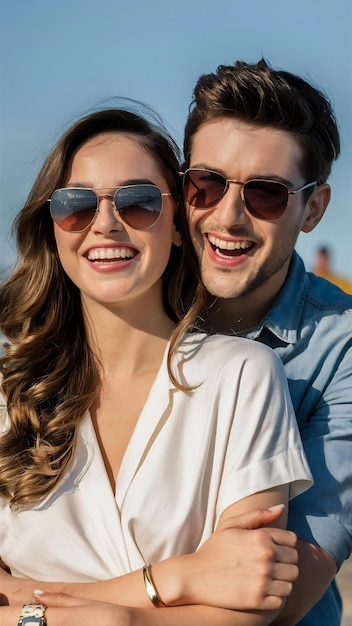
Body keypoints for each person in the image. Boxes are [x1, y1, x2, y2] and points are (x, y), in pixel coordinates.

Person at [0, 106, 312, 626]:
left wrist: (97, 617)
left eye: (139, 201)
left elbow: (250, 600)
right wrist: (174, 581)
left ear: (175, 225)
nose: (105, 224)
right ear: (53, 228)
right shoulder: (8, 393)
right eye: (76, 204)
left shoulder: (243, 375)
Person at [180, 58, 352, 625]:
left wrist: (82, 610)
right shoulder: (120, 307)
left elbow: (281, 599)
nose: (228, 216)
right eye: (205, 184)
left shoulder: (343, 349)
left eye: (267, 194)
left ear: (314, 209)